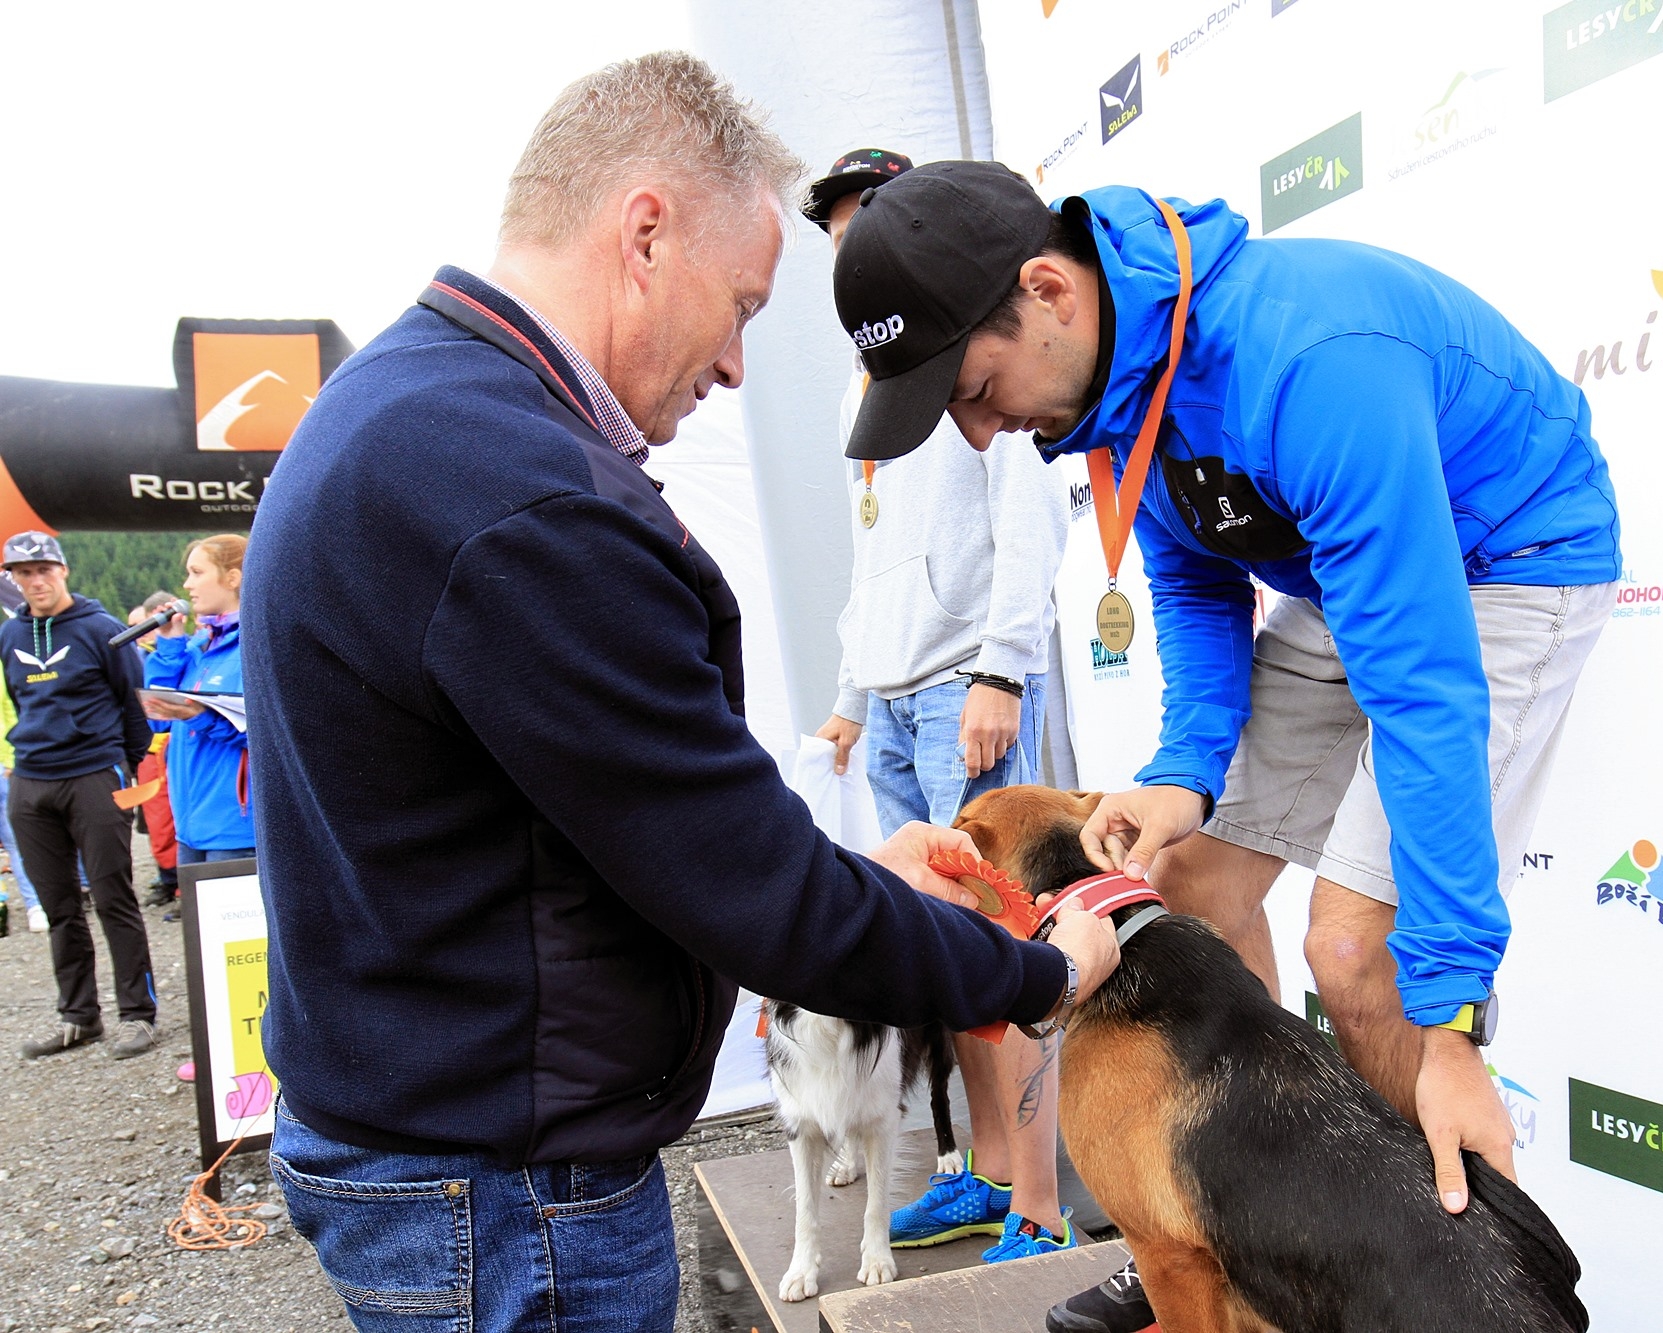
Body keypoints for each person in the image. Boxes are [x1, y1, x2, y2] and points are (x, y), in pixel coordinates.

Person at [241, 54, 1119, 1332]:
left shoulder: (409, 410)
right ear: (646, 233)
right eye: (743, 305)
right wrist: (1035, 971)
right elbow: (750, 887)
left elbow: (634, 828)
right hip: (505, 1192)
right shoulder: (521, 501)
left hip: (439, 1135)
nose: (737, 368)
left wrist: (865, 881)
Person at [831, 162, 1621, 1330]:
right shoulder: (1112, 387)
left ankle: (1461, 1289)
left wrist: (1449, 1020)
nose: (983, 427)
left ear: (1048, 290)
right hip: (1354, 574)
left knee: (1353, 956)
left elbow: (1421, 687)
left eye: (979, 387)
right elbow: (1199, 587)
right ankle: (1234, 1226)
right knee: (1183, 877)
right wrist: (1182, 774)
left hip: (1503, 557)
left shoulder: (1303, 363)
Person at [804, 148, 1078, 1263]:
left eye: (864, 229)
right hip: (898, 694)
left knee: (1016, 946)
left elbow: (1028, 505)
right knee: (945, 956)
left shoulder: (981, 342)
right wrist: (849, 692)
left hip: (968, 685)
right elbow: (872, 557)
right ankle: (986, 1176)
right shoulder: (865, 387)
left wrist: (1001, 668)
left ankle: (1038, 1206)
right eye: (837, 245)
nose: (851, 261)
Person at [2, 531, 157, 1059]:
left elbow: (133, 705)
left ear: (63, 570)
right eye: (23, 574)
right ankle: (79, 1017)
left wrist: (125, 767)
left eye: (43, 569)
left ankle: (138, 1014)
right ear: (14, 580)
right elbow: (21, 701)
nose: (35, 581)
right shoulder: (10, 635)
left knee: (115, 897)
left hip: (94, 775)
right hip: (30, 781)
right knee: (59, 905)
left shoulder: (100, 629)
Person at [141, 539, 252, 919]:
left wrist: (197, 716)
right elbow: (156, 717)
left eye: (197, 572)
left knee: (239, 957)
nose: (186, 585)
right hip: (190, 824)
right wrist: (169, 646)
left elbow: (264, 733)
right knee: (204, 958)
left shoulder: (253, 644)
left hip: (234, 827)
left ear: (233, 577)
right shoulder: (198, 646)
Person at [127, 594, 181, 910]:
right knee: (155, 823)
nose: (140, 632)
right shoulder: (132, 654)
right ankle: (168, 879)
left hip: (168, 748)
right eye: (134, 626)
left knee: (169, 821)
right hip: (148, 752)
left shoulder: (176, 651)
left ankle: (176, 884)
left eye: (142, 626)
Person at [0, 683, 47, 932]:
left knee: (16, 843)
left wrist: (10, 759)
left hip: (4, 765)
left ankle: (35, 904)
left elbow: (12, 709)